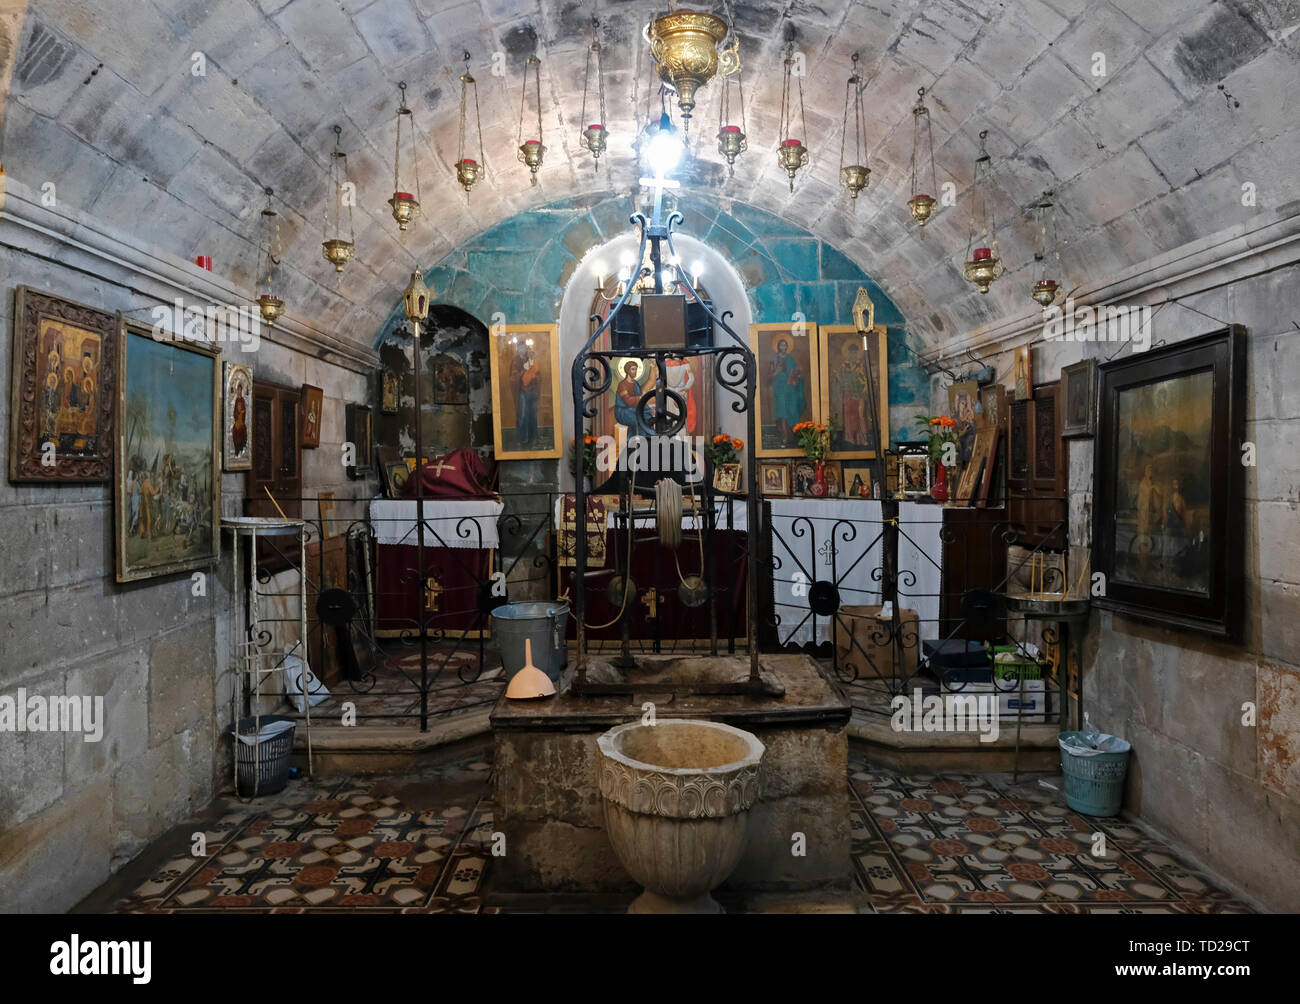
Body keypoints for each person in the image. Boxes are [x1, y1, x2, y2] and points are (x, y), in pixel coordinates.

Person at [767, 338, 806, 446]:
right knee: (782, 412)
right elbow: (769, 377)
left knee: (792, 410)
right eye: (781, 345)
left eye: (785, 345)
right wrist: (777, 372)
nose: (783, 347)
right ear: (778, 346)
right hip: (779, 389)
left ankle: (792, 435)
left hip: (790, 389)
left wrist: (798, 374)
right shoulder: (773, 359)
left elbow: (794, 372)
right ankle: (785, 436)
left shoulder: (791, 359)